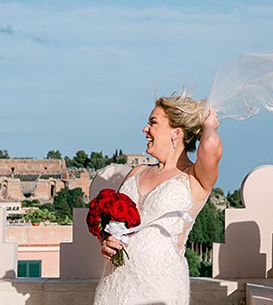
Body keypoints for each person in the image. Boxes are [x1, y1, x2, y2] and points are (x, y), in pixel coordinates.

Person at [93, 91, 223, 305]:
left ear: (176, 133)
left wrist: (208, 125)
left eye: (153, 123)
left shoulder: (195, 178)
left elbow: (209, 145)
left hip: (160, 290)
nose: (145, 129)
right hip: (114, 287)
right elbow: (107, 224)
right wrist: (104, 242)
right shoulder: (136, 172)